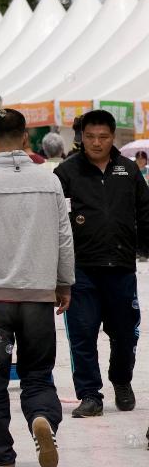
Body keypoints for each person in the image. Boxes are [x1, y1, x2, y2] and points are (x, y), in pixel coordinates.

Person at [0, 108, 73, 467]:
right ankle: (42, 417)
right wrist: (64, 282)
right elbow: (64, 238)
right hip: (38, 297)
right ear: (26, 139)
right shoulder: (50, 181)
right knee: (38, 374)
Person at [53, 109, 149, 417]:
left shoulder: (130, 171)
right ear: (81, 137)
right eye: (90, 137)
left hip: (121, 268)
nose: (96, 143)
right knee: (82, 335)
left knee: (125, 333)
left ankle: (121, 380)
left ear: (112, 137)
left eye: (103, 137)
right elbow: (54, 222)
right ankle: (90, 395)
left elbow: (145, 214)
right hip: (80, 270)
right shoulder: (66, 173)